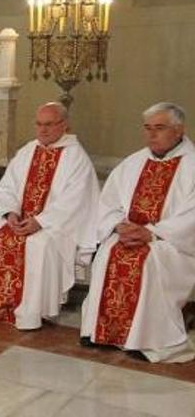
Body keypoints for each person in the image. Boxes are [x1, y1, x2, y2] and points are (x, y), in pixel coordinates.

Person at [0, 102, 99, 329]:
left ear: (64, 125)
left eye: (49, 124)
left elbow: (74, 202)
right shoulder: (28, 151)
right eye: (39, 124)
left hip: (55, 227)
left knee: (39, 245)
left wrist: (40, 222)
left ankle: (31, 313)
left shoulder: (76, 158)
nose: (43, 130)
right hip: (21, 220)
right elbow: (7, 187)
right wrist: (11, 213)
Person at [80, 103, 195, 363]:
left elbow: (191, 217)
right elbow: (108, 202)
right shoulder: (134, 162)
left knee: (150, 260)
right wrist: (118, 225)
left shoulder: (192, 166)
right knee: (109, 251)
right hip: (129, 234)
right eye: (147, 128)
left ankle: (146, 338)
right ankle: (100, 331)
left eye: (160, 128)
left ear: (179, 131)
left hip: (172, 243)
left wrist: (152, 233)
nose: (152, 135)